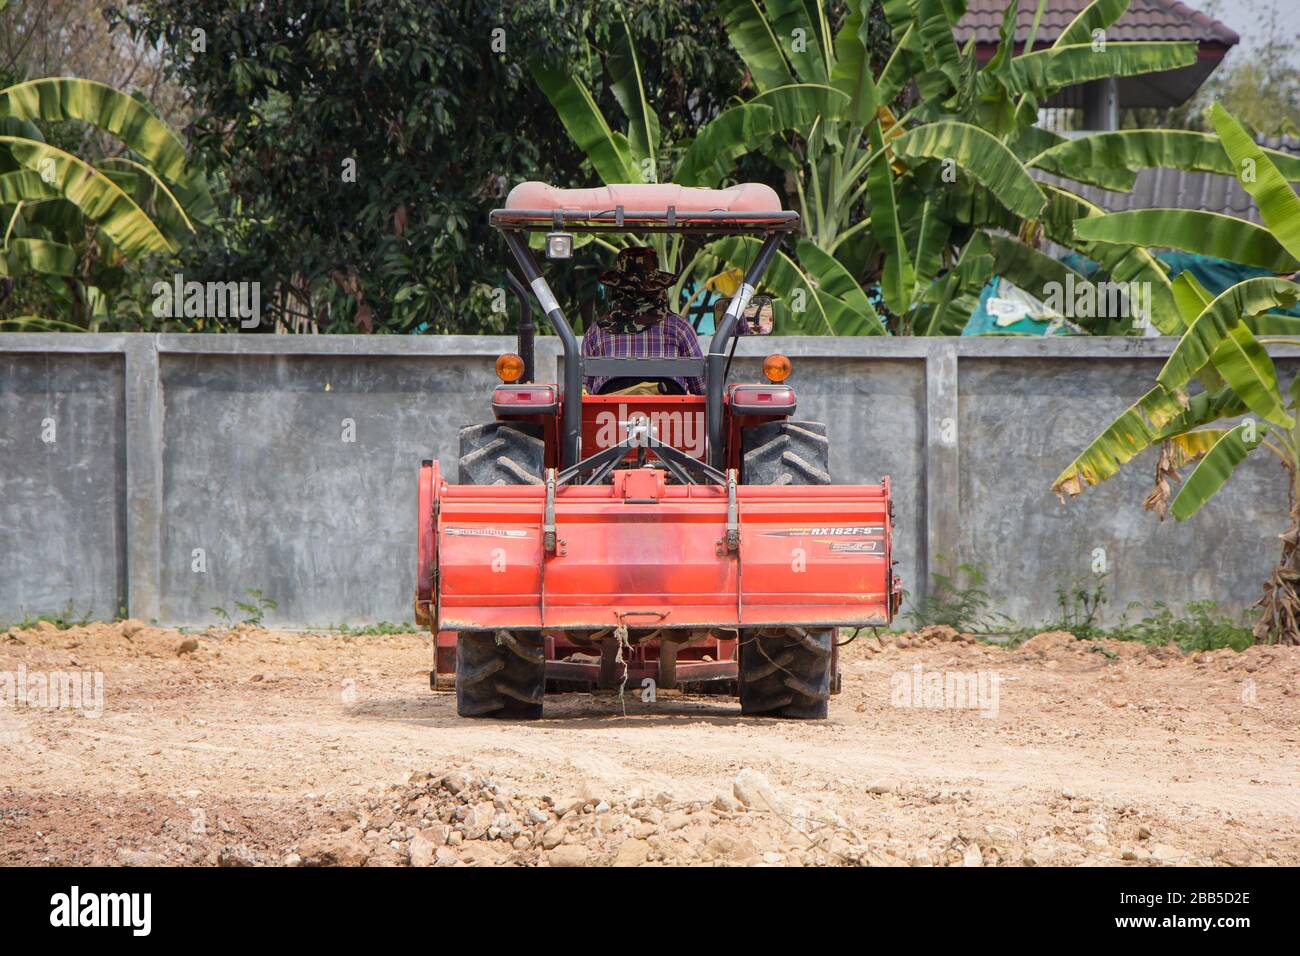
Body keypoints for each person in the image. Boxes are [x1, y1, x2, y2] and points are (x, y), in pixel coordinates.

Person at [581, 246, 705, 395]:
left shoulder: (596, 332)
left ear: (616, 290)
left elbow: (582, 391)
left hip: (608, 416)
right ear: (658, 289)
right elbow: (701, 389)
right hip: (671, 416)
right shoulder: (680, 328)